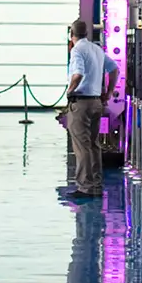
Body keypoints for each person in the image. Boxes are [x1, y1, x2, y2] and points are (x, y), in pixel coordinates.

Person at [59, 18, 114, 200]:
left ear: (71, 35)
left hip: (81, 102)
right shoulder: (97, 49)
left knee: (82, 146)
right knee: (93, 144)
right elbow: (114, 70)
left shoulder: (77, 50)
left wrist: (69, 90)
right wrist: (109, 92)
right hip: (96, 102)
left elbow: (78, 73)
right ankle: (96, 184)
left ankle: (84, 187)